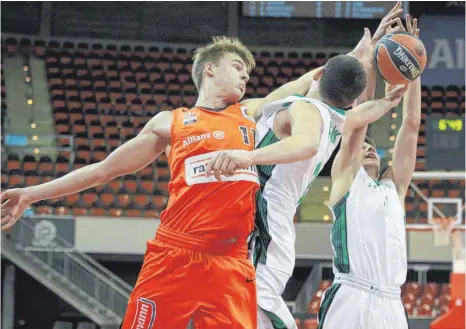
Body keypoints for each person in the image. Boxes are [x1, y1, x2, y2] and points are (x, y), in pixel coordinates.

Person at [0, 36, 351, 329]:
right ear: (210, 69)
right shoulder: (171, 123)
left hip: (231, 262)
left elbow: (313, 80)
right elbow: (105, 169)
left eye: (249, 73)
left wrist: (359, 54)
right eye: (238, 68)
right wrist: (32, 193)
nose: (246, 78)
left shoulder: (249, 113)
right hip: (174, 256)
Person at [205, 4, 405, 328]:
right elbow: (366, 105)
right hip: (256, 214)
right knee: (243, 300)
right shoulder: (340, 117)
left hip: (268, 215)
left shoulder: (306, 111)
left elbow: (306, 143)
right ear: (350, 100)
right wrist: (378, 67)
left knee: (259, 300)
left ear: (322, 74)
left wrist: (247, 157)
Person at [317, 15, 421, 329]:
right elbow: (360, 115)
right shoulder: (348, 177)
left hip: (391, 303)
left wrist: (412, 68)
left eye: (373, 147)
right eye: (365, 146)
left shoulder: (395, 189)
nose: (370, 148)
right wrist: (373, 57)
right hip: (351, 294)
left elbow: (412, 125)